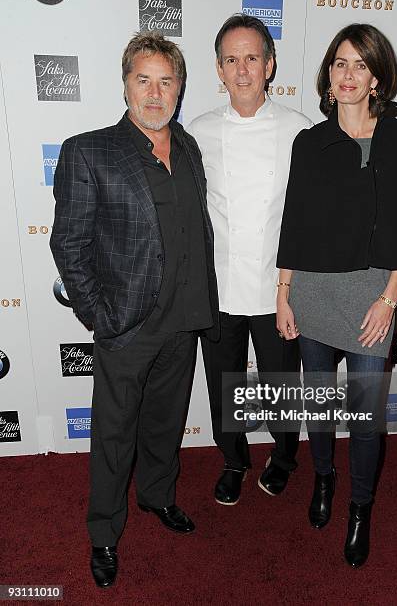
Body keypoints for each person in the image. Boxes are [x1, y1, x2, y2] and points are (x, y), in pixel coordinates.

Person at [50, 31, 219, 588]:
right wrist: (99, 315)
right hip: (127, 324)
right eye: (143, 79)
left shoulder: (189, 145)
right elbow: (68, 245)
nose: (154, 92)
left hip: (185, 318)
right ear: (125, 83)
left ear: (180, 87)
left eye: (166, 81)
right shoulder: (89, 149)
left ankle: (156, 497)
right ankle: (103, 532)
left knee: (165, 425)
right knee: (115, 434)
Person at [277, 23, 397, 567]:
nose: (348, 75)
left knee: (364, 415)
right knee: (318, 404)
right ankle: (323, 479)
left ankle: (360, 507)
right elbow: (294, 221)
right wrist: (284, 291)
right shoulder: (309, 141)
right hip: (314, 292)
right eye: (340, 63)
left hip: (372, 296)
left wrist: (389, 299)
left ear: (379, 77)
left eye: (360, 64)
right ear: (328, 73)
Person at [187, 14, 312, 506]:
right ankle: (234, 459)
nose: (242, 69)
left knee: (283, 384)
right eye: (232, 60)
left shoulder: (299, 130)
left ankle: (283, 457)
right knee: (224, 386)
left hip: (279, 288)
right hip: (218, 288)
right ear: (219, 69)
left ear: (270, 65)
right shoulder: (194, 132)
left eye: (252, 58)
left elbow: (307, 218)